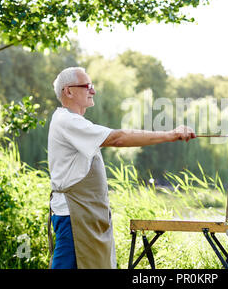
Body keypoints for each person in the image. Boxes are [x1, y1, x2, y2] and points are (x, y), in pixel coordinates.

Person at [47, 66, 196, 269]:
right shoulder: (67, 121)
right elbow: (118, 138)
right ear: (69, 91)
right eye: (87, 86)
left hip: (84, 216)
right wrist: (171, 134)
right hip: (73, 217)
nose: (94, 91)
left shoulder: (76, 122)